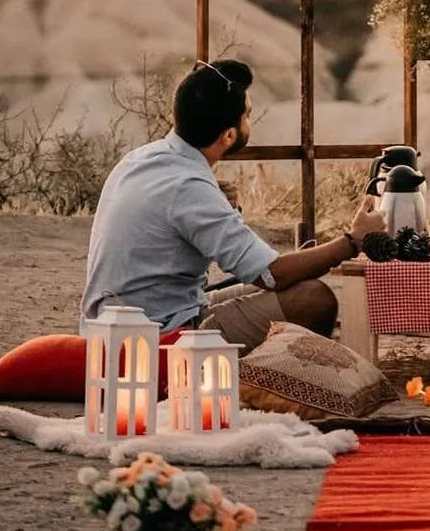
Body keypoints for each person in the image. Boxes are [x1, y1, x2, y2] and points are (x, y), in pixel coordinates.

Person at [82, 59, 385, 352]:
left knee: (300, 277)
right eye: (247, 115)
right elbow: (270, 275)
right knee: (313, 299)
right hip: (155, 333)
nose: (250, 122)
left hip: (120, 319)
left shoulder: (140, 159)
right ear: (229, 135)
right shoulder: (189, 186)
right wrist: (352, 241)